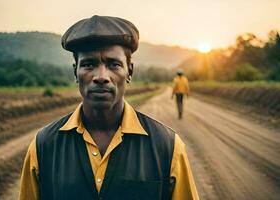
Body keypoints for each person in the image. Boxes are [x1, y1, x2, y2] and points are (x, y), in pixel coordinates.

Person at [19, 15, 199, 200]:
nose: (101, 76)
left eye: (114, 64)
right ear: (75, 72)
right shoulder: (43, 147)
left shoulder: (168, 147)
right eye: (89, 64)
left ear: (129, 71)